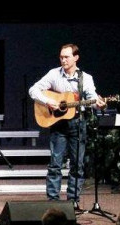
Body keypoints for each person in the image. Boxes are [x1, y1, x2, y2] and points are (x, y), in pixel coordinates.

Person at [29, 43, 106, 207]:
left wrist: (97, 104)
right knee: (55, 164)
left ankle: (73, 201)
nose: (63, 60)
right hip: (58, 125)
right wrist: (49, 101)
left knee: (77, 165)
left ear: (76, 58)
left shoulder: (85, 78)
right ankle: (53, 201)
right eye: (61, 57)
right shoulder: (54, 74)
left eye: (67, 57)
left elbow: (91, 97)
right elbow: (33, 90)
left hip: (78, 124)